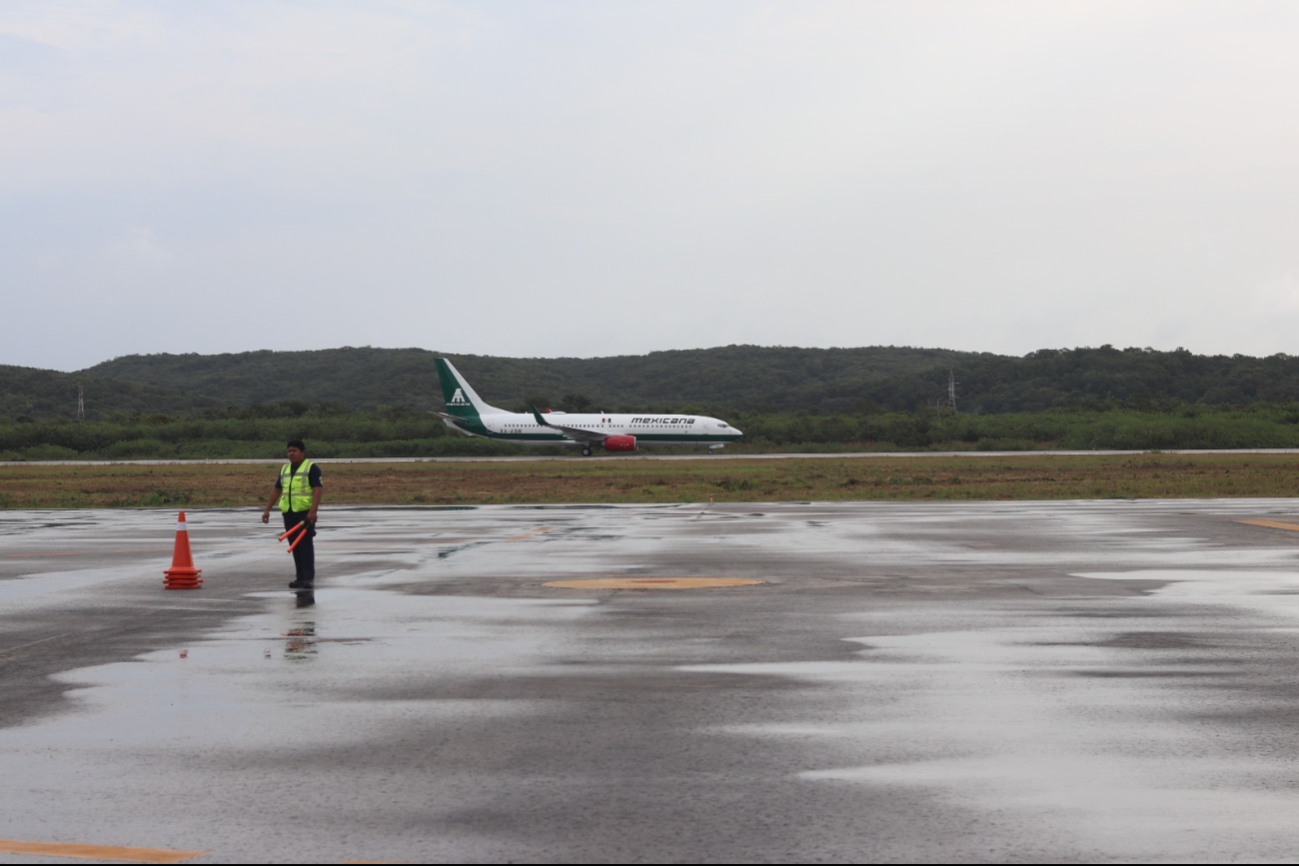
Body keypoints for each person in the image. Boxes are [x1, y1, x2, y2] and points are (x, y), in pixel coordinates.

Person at [262, 439, 323, 589]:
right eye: (289, 451)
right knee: (294, 545)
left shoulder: (311, 468)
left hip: (305, 513)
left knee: (305, 545)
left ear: (302, 452)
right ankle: (300, 578)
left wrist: (313, 511)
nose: (291, 453)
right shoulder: (284, 469)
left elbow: (317, 489)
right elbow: (277, 489)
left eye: (294, 450)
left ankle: (308, 578)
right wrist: (267, 509)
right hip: (288, 512)